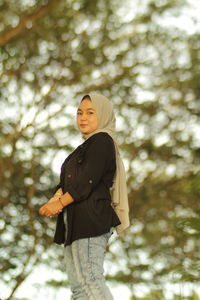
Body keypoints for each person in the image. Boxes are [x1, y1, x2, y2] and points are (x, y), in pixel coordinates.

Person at [39, 93, 130, 300]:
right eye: (79, 112)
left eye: (90, 112)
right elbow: (70, 181)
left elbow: (87, 180)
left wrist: (59, 202)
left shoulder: (102, 141)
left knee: (91, 281)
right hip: (74, 223)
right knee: (78, 289)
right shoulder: (83, 148)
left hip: (91, 219)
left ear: (103, 115)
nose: (83, 117)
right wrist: (56, 196)